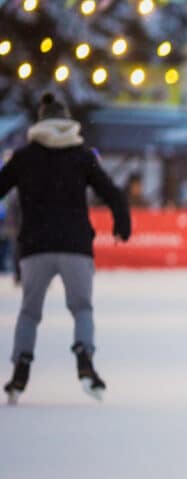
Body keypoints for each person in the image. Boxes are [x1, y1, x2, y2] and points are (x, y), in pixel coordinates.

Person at [0, 93, 132, 405]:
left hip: (35, 246)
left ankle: (21, 368)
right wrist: (122, 223)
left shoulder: (24, 157)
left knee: (30, 311)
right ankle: (85, 358)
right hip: (75, 246)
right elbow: (112, 192)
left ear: (40, 123)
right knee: (82, 308)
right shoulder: (81, 156)